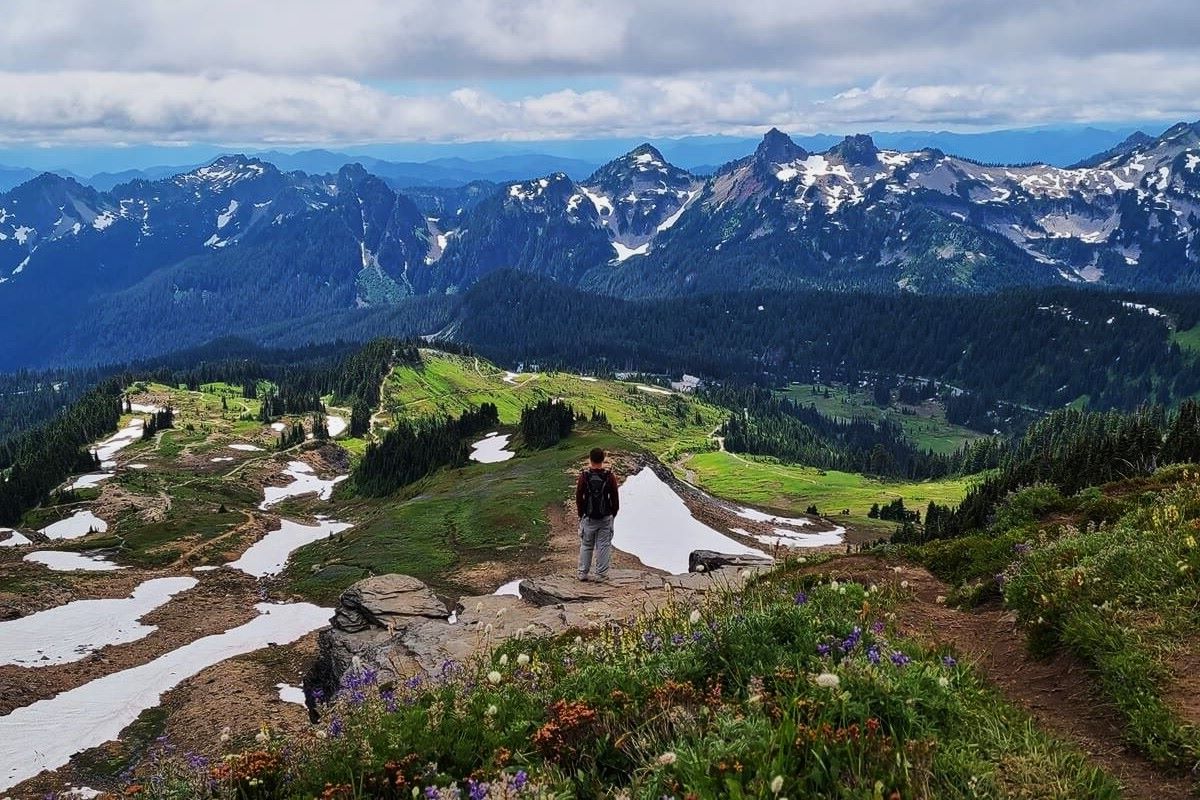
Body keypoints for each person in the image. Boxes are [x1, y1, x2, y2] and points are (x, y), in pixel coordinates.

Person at [575, 447, 619, 582]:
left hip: (588, 517)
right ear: (603, 459)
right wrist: (613, 513)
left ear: (590, 458)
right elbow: (614, 497)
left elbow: (579, 495)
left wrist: (581, 513)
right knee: (604, 545)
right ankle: (600, 575)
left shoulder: (584, 476)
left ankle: (583, 573)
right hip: (605, 517)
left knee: (587, 544)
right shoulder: (609, 476)